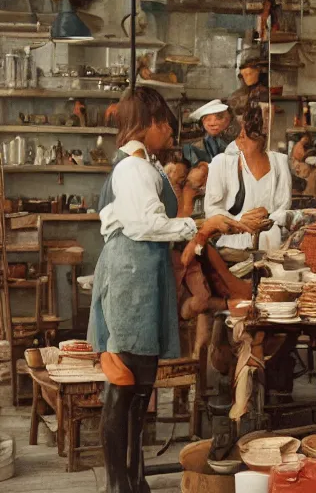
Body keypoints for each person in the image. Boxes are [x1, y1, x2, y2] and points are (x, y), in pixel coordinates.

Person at [89, 86, 249, 493]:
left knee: (140, 383)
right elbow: (145, 225)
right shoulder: (133, 169)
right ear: (147, 125)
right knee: (123, 381)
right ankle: (117, 485)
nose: (167, 133)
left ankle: (134, 477)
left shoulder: (145, 164)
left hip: (143, 272)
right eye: (163, 125)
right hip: (131, 274)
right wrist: (200, 225)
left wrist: (201, 224)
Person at [204, 93, 294, 251]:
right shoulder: (222, 163)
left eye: (254, 132)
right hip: (232, 247)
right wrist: (240, 221)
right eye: (241, 133)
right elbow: (212, 211)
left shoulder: (279, 162)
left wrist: (267, 219)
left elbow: (283, 209)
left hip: (270, 246)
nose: (242, 137)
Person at [182, 99, 233, 166]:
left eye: (218, 118)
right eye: (207, 119)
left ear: (228, 119)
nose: (212, 123)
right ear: (202, 123)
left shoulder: (234, 141)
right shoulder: (191, 149)